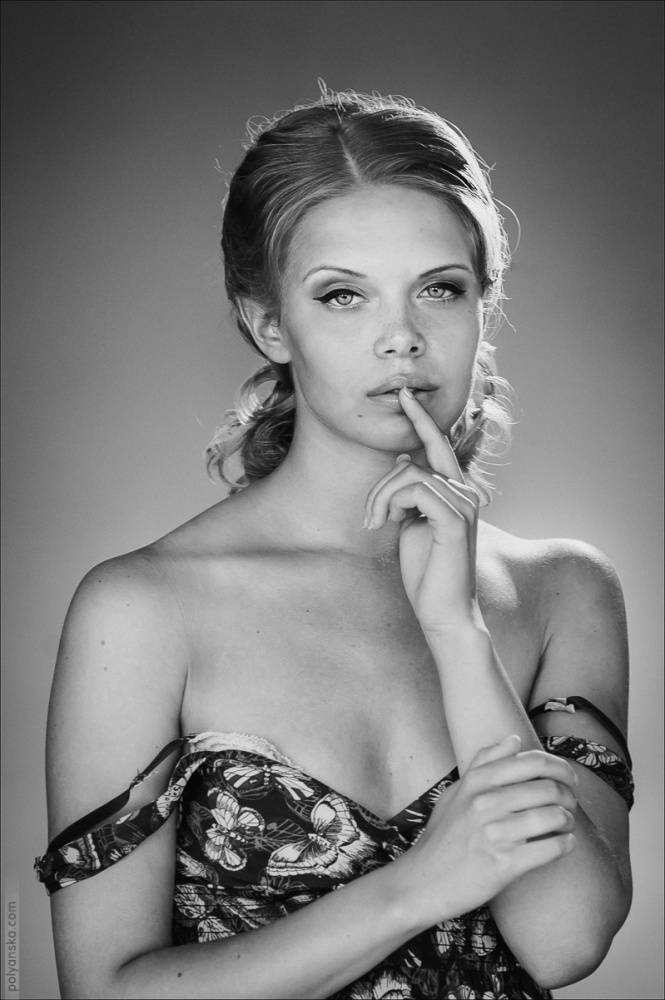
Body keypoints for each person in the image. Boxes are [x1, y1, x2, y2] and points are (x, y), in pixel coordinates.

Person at [36, 88, 633, 1000]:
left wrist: (457, 635)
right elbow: (104, 991)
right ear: (268, 323)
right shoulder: (143, 609)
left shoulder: (562, 590)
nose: (402, 339)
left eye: (440, 289)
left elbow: (565, 943)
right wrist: (417, 887)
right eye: (343, 295)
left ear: (483, 306)